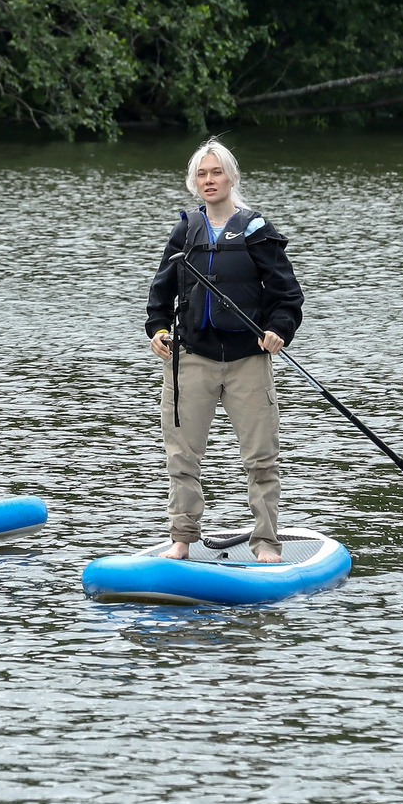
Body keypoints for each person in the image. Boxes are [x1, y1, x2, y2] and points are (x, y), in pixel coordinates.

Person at [146, 139, 303, 562]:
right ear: (194, 183)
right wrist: (158, 329)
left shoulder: (257, 231)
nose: (209, 180)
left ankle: (267, 543)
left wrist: (278, 330)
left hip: (247, 360)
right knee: (181, 456)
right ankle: (182, 538)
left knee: (261, 459)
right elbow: (160, 293)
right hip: (191, 358)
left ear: (232, 177)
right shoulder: (185, 231)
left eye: (216, 172)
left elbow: (287, 296)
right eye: (202, 174)